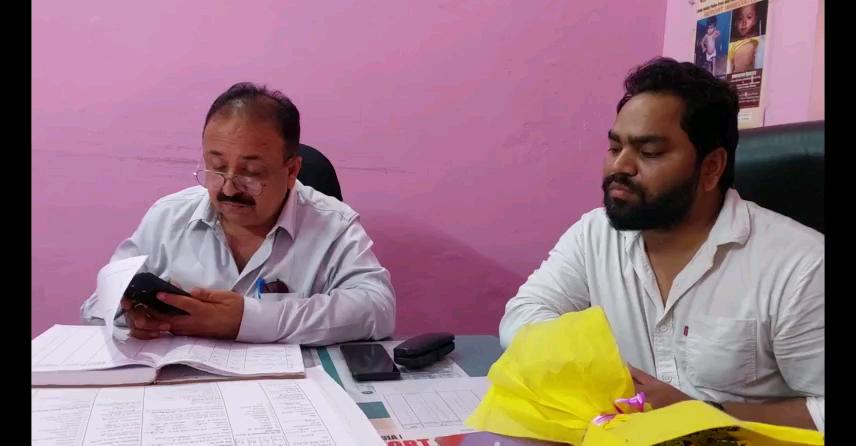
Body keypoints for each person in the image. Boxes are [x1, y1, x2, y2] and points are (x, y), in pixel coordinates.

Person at [499, 58, 824, 431]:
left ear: (711, 167)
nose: (620, 166)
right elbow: (523, 315)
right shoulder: (595, 235)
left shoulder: (801, 265)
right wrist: (597, 370)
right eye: (615, 147)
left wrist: (700, 413)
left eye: (649, 152)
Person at [81, 82, 396, 346]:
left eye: (251, 173)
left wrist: (248, 320)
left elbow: (378, 308)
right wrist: (131, 316)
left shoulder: (333, 224)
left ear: (291, 171)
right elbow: (98, 304)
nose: (229, 189)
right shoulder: (168, 217)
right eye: (216, 168)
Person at [727, 4, 763, 73]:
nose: (744, 22)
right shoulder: (732, 43)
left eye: (749, 17)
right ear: (735, 22)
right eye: (740, 18)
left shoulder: (756, 39)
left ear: (755, 20)